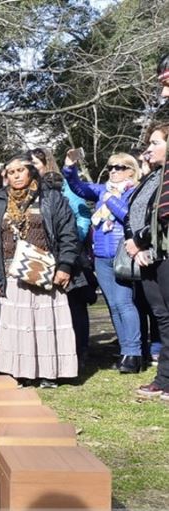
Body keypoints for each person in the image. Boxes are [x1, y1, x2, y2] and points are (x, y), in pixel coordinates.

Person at [0, 152, 79, 387]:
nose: (15, 176)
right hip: (10, 274)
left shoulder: (51, 198)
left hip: (44, 272)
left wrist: (65, 266)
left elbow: (68, 234)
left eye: (20, 171)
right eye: (11, 172)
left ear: (31, 171)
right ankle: (20, 372)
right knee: (18, 327)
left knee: (44, 325)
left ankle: (48, 373)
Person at [63, 151, 141, 372]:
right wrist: (70, 166)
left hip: (122, 252)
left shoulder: (134, 191)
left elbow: (129, 216)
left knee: (125, 302)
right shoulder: (102, 190)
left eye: (119, 167)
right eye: (111, 167)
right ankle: (125, 350)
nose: (113, 171)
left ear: (131, 171)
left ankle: (134, 353)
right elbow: (78, 187)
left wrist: (111, 200)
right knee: (113, 306)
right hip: (101, 255)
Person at [32, 147, 93, 369]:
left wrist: (73, 240)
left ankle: (82, 348)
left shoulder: (65, 187)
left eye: (34, 165)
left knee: (75, 302)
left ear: (45, 165)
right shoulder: (32, 192)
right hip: (42, 255)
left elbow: (82, 216)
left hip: (69, 251)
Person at [124, 122, 169, 398]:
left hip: (160, 251)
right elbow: (139, 213)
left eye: (155, 143)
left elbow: (163, 216)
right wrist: (137, 244)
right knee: (162, 316)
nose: (148, 150)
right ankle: (164, 378)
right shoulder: (153, 178)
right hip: (150, 255)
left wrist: (139, 241)